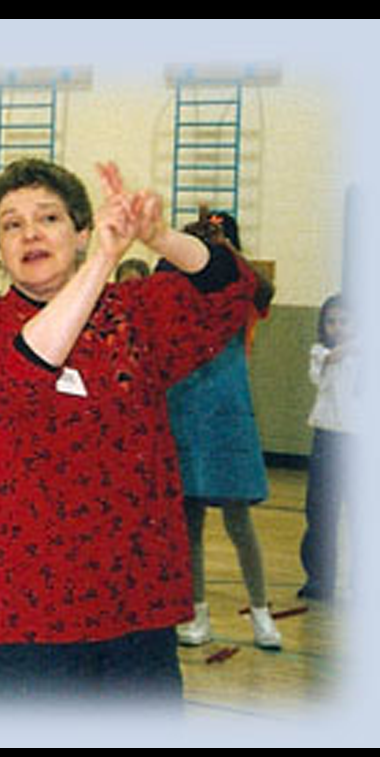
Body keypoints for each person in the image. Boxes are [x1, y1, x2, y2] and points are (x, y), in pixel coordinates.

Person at [0, 159, 259, 710]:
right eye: (12, 225)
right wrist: (103, 261)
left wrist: (159, 236)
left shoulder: (137, 314)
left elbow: (231, 289)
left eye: (49, 218)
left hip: (136, 599)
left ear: (81, 231)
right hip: (30, 608)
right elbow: (26, 370)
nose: (31, 233)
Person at [164, 211, 282, 651]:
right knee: (189, 521)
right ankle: (197, 614)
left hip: (229, 414)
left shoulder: (242, 290)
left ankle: (261, 614)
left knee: (239, 520)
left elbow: (264, 289)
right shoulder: (178, 288)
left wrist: (225, 248)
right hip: (184, 409)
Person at [299, 294, 358, 602]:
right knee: (321, 512)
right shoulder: (319, 353)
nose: (337, 327)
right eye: (331, 322)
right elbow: (323, 367)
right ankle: (320, 579)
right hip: (327, 438)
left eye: (344, 321)